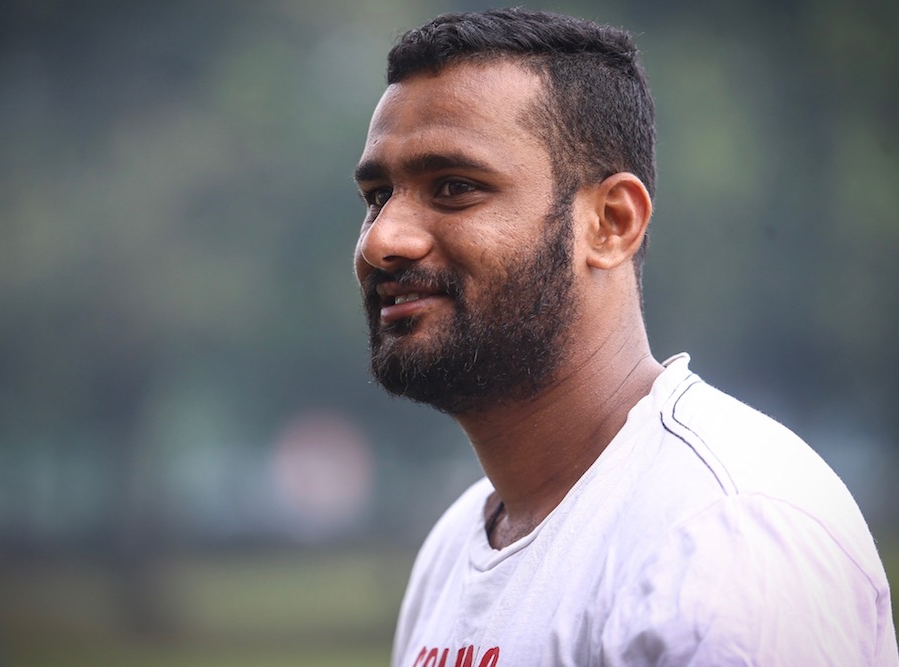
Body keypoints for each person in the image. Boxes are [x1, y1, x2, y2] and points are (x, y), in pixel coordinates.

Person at [352, 7, 898, 666]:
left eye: (455, 187)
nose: (383, 239)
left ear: (612, 221)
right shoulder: (453, 550)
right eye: (378, 195)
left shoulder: (721, 532)